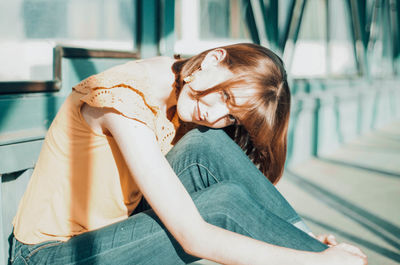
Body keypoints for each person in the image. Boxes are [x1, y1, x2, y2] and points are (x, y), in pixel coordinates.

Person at [10, 43, 367, 265]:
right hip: (51, 256)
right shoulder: (122, 102)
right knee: (222, 204)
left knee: (205, 146)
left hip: (109, 230)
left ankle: (308, 243)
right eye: (226, 97)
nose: (214, 116)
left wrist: (304, 248)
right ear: (213, 59)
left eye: (230, 115)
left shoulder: (181, 78)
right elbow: (193, 235)